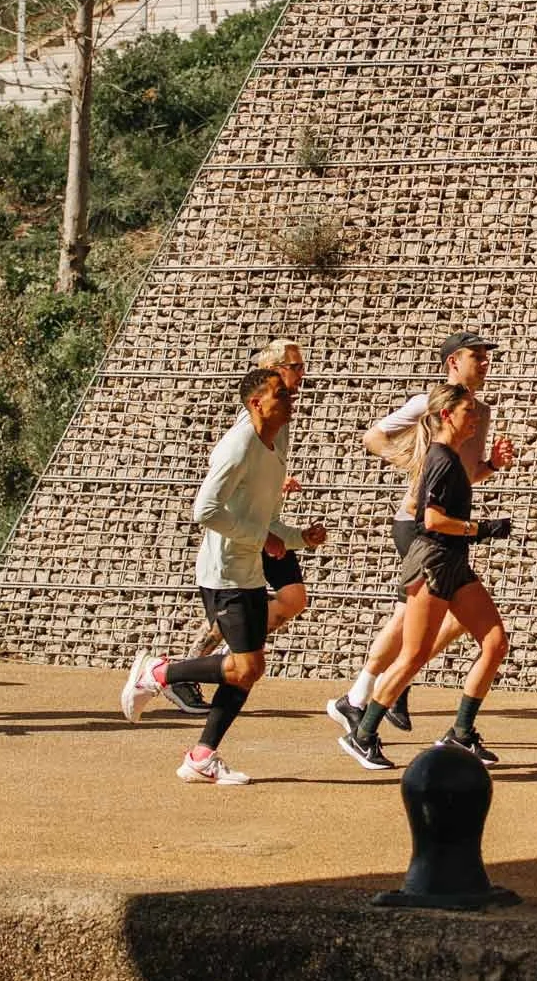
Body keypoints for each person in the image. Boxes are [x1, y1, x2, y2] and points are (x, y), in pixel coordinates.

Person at [119, 366, 324, 785]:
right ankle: (158, 675)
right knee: (245, 666)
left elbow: (261, 519)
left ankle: (201, 756)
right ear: (256, 404)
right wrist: (261, 538)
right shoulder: (238, 446)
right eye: (281, 394)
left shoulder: (271, 447)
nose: (290, 399)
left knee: (249, 668)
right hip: (223, 574)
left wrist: (298, 537)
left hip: (245, 571)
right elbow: (205, 510)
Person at [327, 332, 516, 741]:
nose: (485, 363)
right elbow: (372, 437)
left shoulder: (477, 411)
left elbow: (465, 477)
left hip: (448, 528)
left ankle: (379, 693)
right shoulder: (428, 404)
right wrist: (416, 465)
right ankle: (363, 698)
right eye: (476, 357)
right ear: (453, 362)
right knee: (407, 622)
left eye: (487, 357)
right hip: (419, 525)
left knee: (444, 624)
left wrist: (492, 467)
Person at [161, 336, 308, 716]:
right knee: (257, 632)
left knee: (294, 600)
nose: (302, 374)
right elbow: (225, 470)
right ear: (273, 371)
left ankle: (221, 658)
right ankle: (185, 671)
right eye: (295, 367)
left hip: (267, 524)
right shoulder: (255, 416)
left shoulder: (283, 413)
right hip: (250, 532)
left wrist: (277, 483)